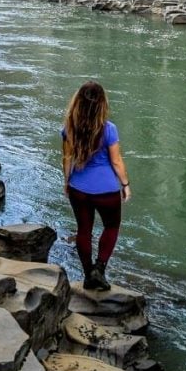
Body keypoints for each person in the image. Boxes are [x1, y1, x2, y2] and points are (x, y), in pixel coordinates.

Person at [62, 80, 131, 291]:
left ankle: (88, 274)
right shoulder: (109, 129)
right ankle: (99, 270)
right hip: (107, 190)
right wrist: (125, 184)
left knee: (84, 230)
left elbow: (66, 158)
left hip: (79, 188)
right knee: (111, 226)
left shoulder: (68, 128)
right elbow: (116, 161)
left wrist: (67, 182)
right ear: (101, 104)